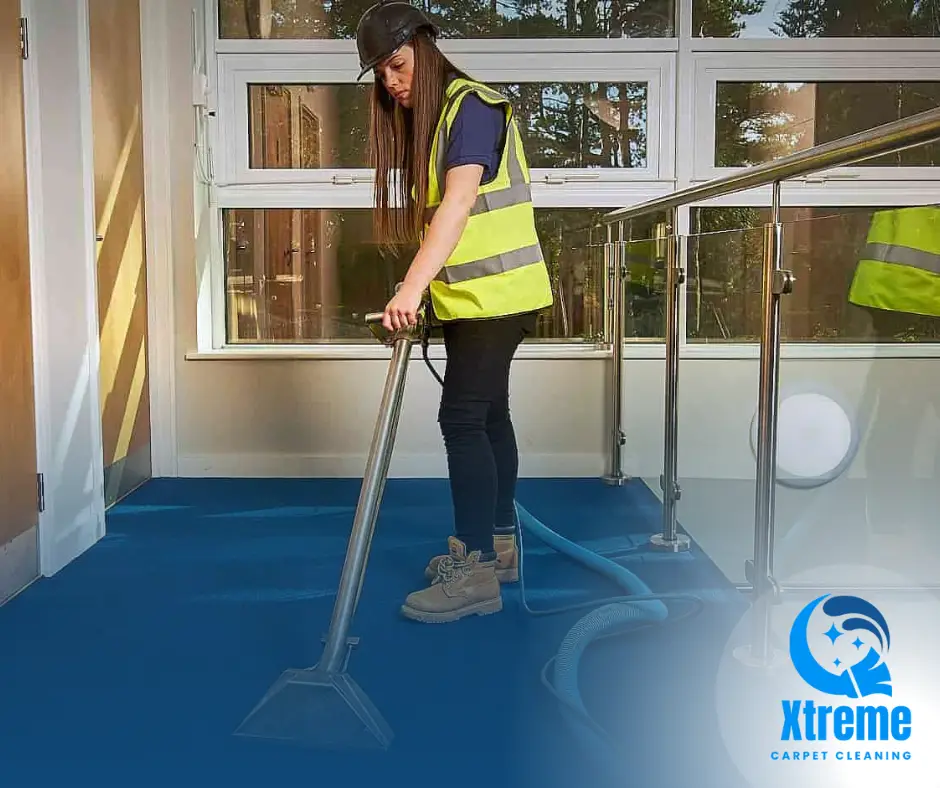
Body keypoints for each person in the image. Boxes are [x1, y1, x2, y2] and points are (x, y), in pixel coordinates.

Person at [355, 1, 554, 624]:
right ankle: (498, 548)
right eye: (382, 74)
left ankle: (476, 574)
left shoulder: (471, 107)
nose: (392, 82)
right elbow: (447, 226)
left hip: (499, 298)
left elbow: (461, 204)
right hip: (475, 299)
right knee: (489, 414)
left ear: (423, 46)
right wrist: (420, 286)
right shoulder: (440, 121)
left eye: (397, 64)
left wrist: (410, 289)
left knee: (462, 417)